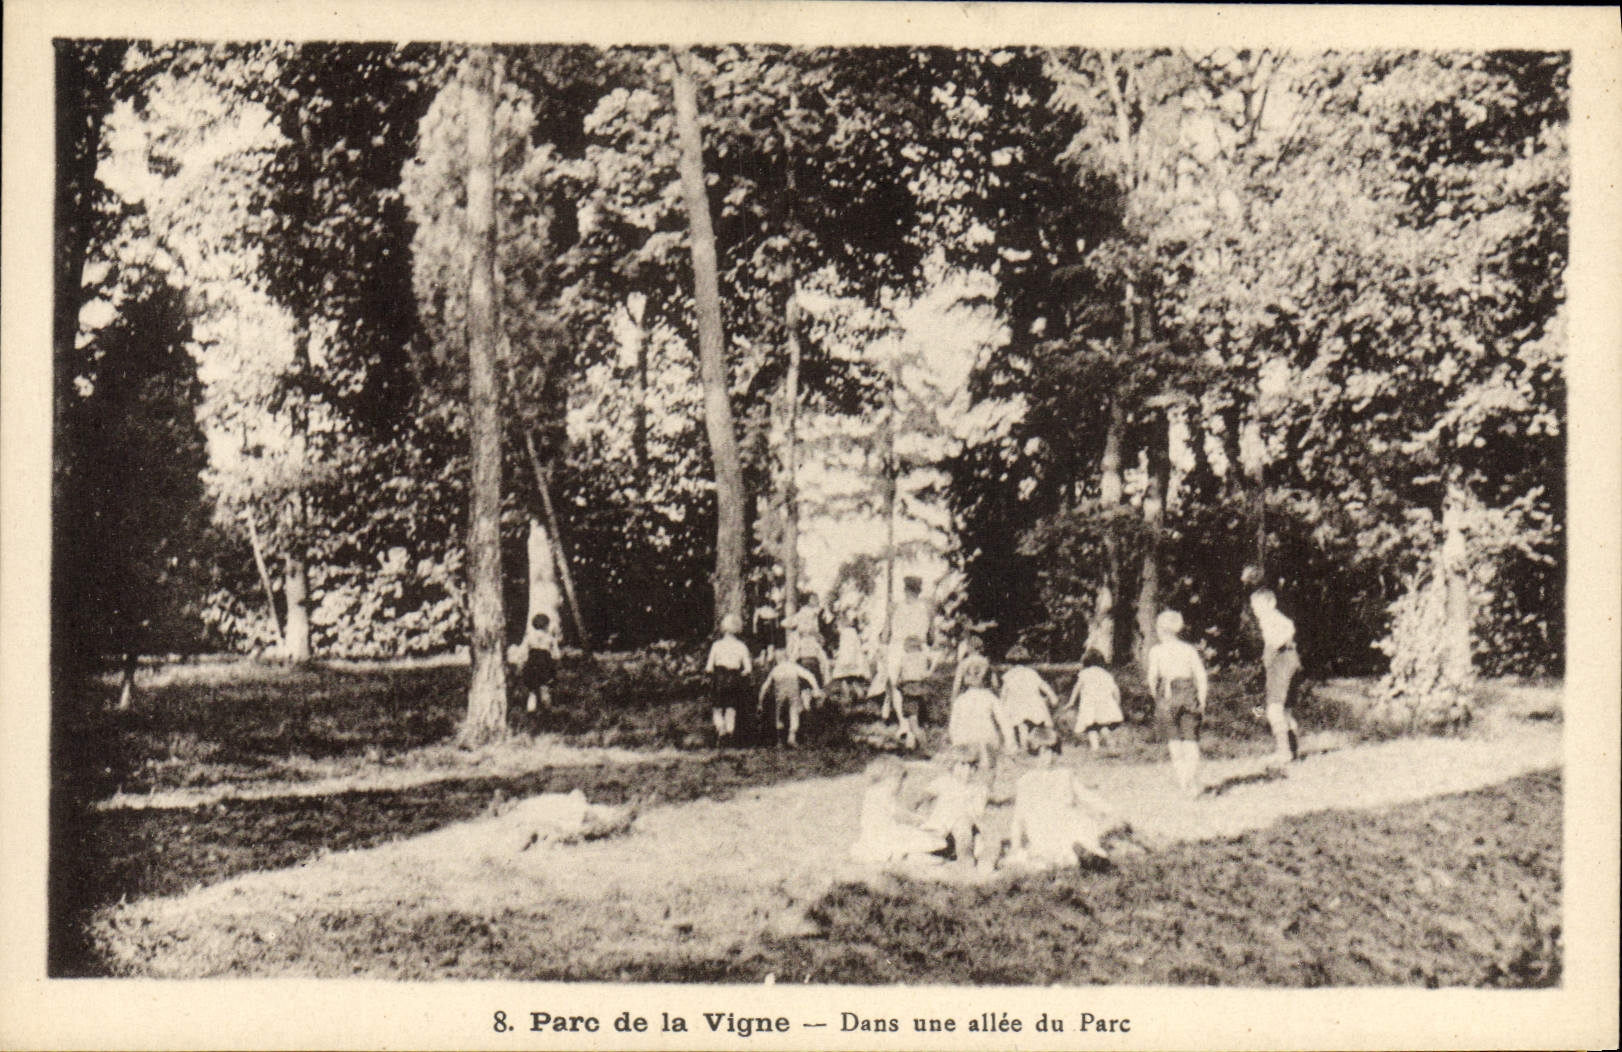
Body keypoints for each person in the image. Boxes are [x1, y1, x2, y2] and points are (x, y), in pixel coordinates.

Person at [1005, 726, 1127, 869]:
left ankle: (1066, 857)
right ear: (1046, 752)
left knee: (1052, 845)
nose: (1057, 758)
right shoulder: (1064, 775)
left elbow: (1018, 820)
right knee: (1081, 827)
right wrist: (1110, 811)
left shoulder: (1025, 781)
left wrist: (1015, 847)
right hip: (1064, 827)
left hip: (1041, 833)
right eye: (1057, 753)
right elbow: (1087, 797)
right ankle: (1086, 853)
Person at [1145, 609, 1209, 797]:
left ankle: (1184, 782)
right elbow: (1201, 676)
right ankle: (1192, 783)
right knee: (1191, 741)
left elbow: (1152, 678)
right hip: (1188, 693)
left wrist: (1156, 697)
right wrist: (1202, 700)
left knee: (1174, 742)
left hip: (1167, 694)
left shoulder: (1156, 651)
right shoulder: (1188, 650)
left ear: (1159, 629)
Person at [850, 756, 946, 865]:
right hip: (885, 835)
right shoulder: (883, 794)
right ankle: (908, 857)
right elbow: (898, 814)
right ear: (888, 778)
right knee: (918, 837)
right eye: (899, 780)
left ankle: (899, 856)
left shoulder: (872, 792)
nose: (901, 785)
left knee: (904, 837)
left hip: (871, 836)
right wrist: (918, 819)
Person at [1250, 588, 1303, 766]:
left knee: (1274, 709)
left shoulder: (1274, 619)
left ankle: (1283, 752)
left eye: (1259, 606)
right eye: (1254, 607)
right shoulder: (1269, 620)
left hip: (1283, 664)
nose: (1256, 610)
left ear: (1271, 603)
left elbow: (1287, 631)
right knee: (1286, 710)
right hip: (1288, 663)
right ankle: (1292, 750)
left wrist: (1275, 644)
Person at [919, 747, 991, 867]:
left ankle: (966, 861)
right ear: (952, 765)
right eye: (962, 765)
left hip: (965, 830)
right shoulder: (944, 782)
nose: (967, 770)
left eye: (972, 766)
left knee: (964, 826)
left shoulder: (980, 788)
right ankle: (947, 857)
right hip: (941, 828)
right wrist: (924, 815)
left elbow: (978, 814)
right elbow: (922, 798)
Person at [947, 657, 1008, 771]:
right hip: (986, 740)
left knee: (965, 766)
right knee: (987, 766)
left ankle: (964, 767)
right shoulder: (991, 697)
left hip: (964, 740)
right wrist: (1011, 742)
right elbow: (1003, 721)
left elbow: (953, 725)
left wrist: (956, 742)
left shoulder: (961, 699)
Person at [758, 642, 822, 748]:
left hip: (780, 694)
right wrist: (816, 689)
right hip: (793, 691)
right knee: (794, 712)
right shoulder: (793, 666)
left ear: (776, 659)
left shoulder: (775, 669)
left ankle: (779, 740)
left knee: (779, 713)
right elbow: (809, 676)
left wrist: (760, 701)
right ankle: (791, 736)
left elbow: (765, 687)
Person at [999, 647, 1059, 753]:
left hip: (1017, 703)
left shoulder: (1009, 675)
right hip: (1032, 701)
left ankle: (1024, 747)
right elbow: (1043, 685)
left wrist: (1001, 704)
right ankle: (1039, 745)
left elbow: (1004, 692)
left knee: (1022, 726)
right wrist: (1052, 696)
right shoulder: (1031, 672)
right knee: (1035, 724)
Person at [705, 613, 753, 745]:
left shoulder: (716, 645)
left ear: (724, 627)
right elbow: (748, 669)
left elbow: (709, 667)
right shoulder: (742, 646)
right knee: (731, 708)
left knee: (717, 708)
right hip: (734, 677)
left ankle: (721, 729)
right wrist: (739, 675)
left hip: (719, 677)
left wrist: (711, 676)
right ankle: (730, 733)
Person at [1066, 649, 1123, 752]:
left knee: (1091, 727)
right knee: (1104, 725)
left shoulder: (1084, 673)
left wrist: (1071, 701)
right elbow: (1115, 689)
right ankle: (1109, 742)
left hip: (1090, 705)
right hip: (1104, 704)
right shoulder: (1106, 674)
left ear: (1085, 661)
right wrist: (1117, 703)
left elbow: (1077, 688)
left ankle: (1095, 747)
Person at [894, 635, 934, 749]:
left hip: (909, 689)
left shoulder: (904, 658)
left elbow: (897, 676)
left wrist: (898, 685)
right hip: (923, 689)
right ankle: (920, 743)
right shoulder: (924, 657)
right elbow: (927, 671)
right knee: (921, 720)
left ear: (906, 647)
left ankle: (926, 748)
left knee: (913, 723)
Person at [517, 613, 560, 714]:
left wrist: (522, 663)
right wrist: (556, 664)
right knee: (545, 687)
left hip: (532, 664)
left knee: (532, 690)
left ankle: (531, 710)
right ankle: (547, 711)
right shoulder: (550, 638)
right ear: (546, 625)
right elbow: (556, 655)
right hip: (545, 664)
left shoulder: (529, 637)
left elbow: (523, 651)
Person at [829, 616, 869, 706]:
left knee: (844, 679)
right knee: (853, 679)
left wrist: (839, 656)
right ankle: (860, 694)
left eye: (838, 626)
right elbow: (856, 647)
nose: (838, 629)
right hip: (855, 660)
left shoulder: (845, 633)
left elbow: (845, 649)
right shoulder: (853, 632)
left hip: (846, 660)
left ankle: (847, 698)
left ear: (841, 625)